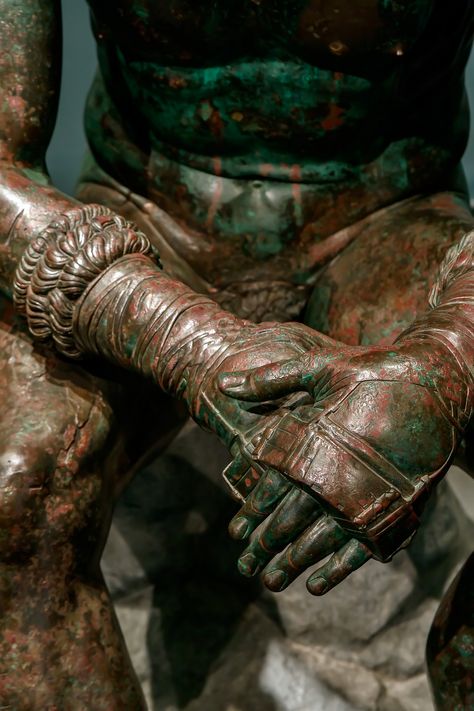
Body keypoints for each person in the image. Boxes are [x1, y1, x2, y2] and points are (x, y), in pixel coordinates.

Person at [0, 1, 472, 707]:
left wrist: (449, 361)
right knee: (14, 487)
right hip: (149, 222)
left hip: (392, 227)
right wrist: (183, 338)